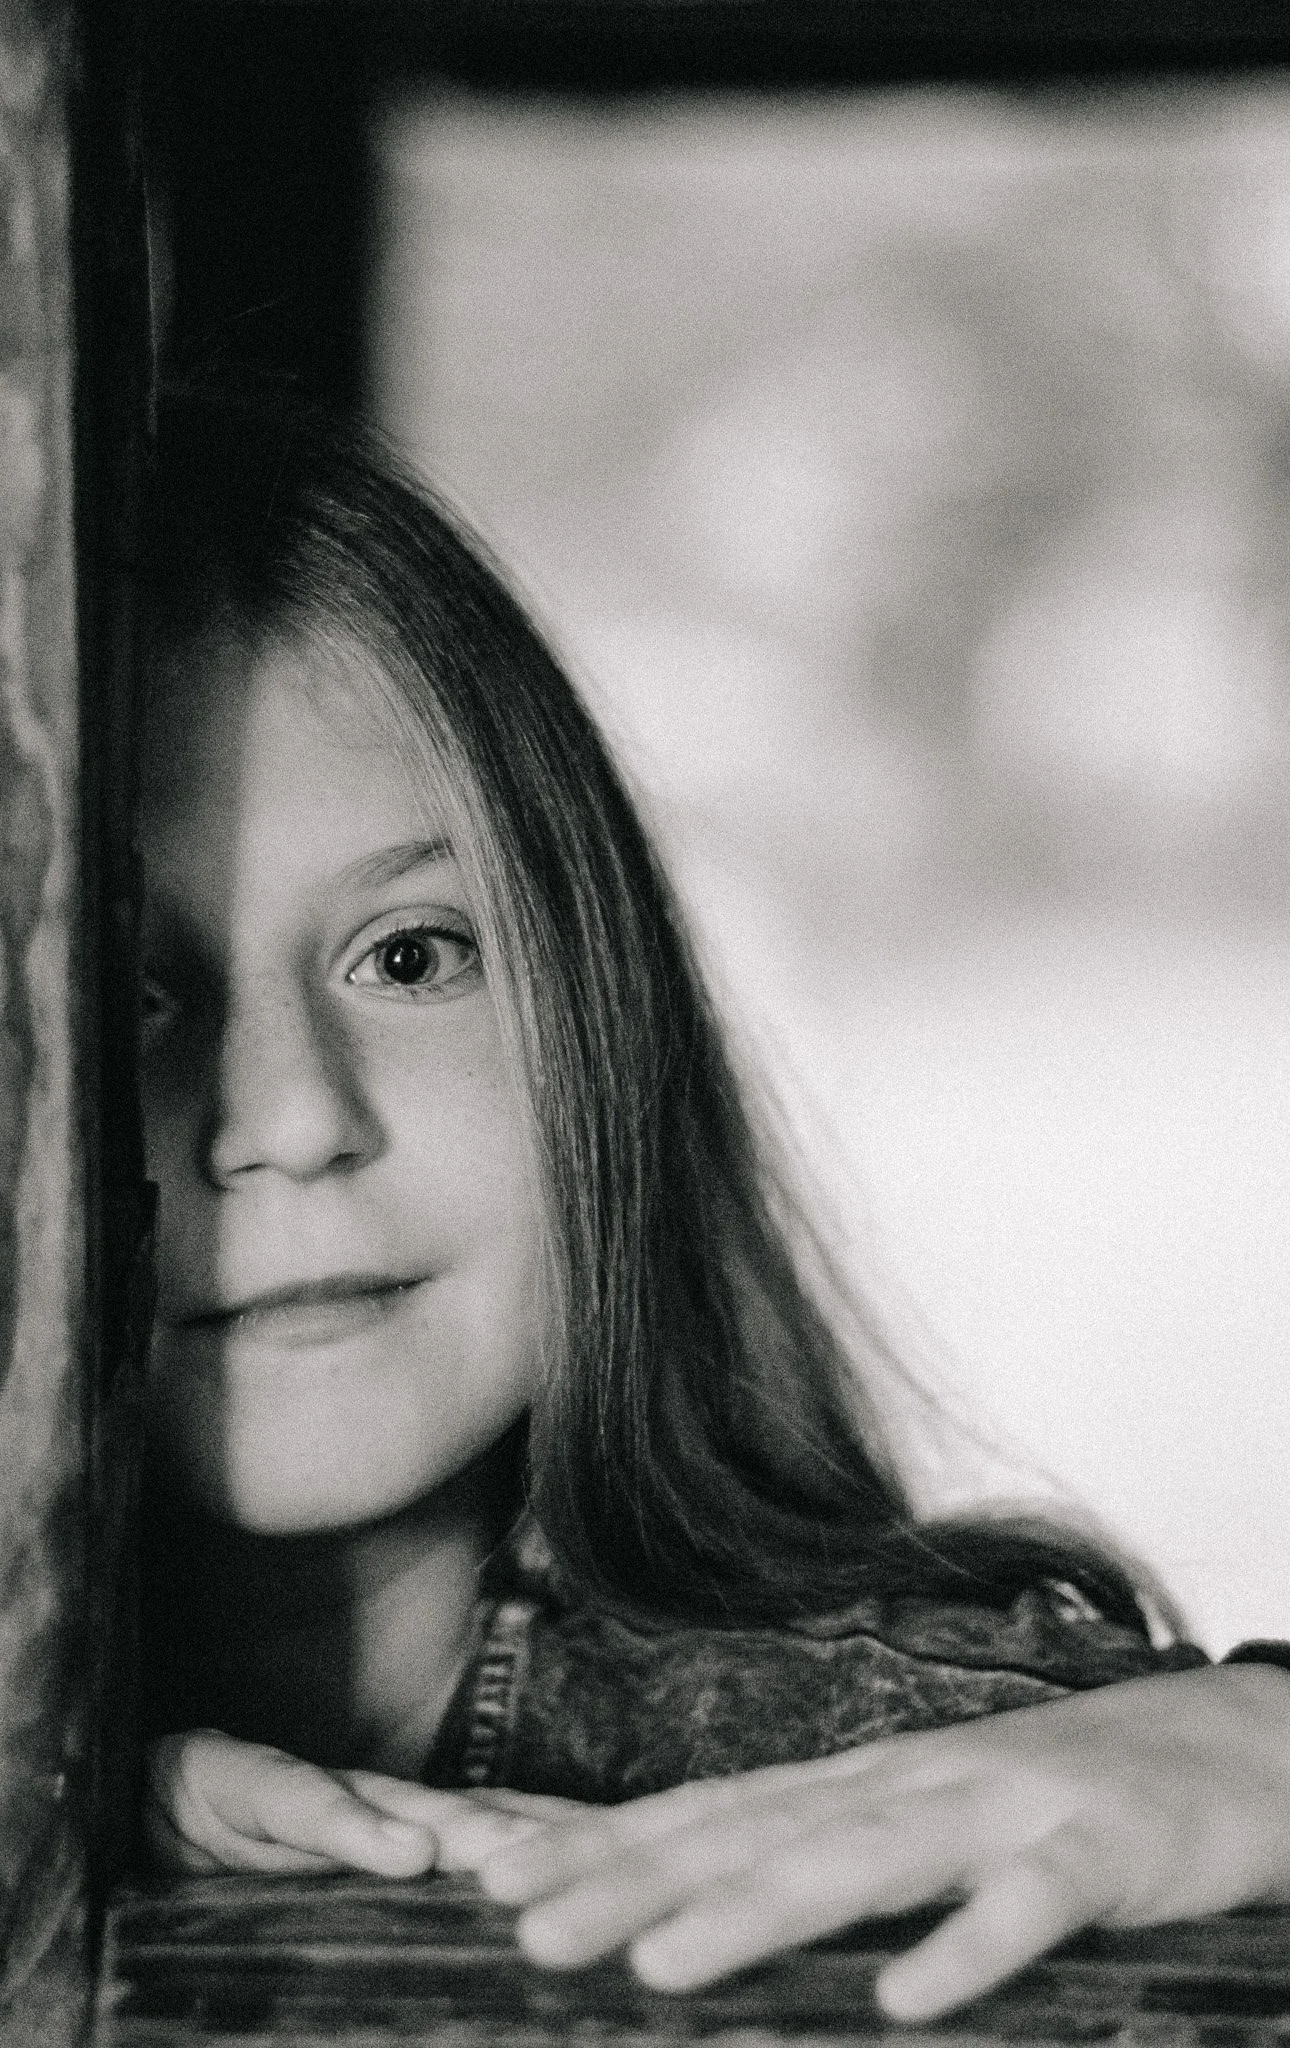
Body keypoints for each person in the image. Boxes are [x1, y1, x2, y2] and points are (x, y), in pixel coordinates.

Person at [134, 398, 1290, 2019]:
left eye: (409, 956)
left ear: (598, 1018)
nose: (295, 1119)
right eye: (128, 991)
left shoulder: (979, 1756)